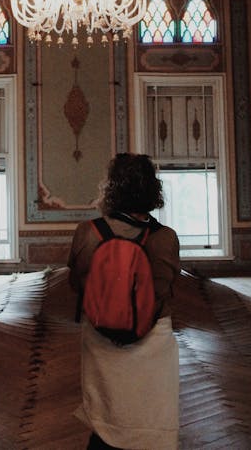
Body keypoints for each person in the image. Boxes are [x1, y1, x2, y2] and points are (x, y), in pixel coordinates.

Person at [67, 153, 181, 450]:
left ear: (111, 188)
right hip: (153, 343)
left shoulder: (87, 233)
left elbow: (75, 284)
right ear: (152, 189)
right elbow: (166, 290)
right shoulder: (166, 238)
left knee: (106, 421)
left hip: (100, 340)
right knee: (151, 421)